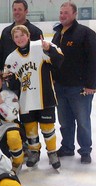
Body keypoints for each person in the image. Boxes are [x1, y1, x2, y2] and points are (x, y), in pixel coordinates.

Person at [4, 25, 64, 170]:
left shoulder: (40, 46)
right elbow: (11, 83)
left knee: (48, 128)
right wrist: (9, 79)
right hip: (25, 101)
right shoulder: (11, 58)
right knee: (30, 130)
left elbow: (60, 59)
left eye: (22, 35)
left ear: (28, 35)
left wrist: (49, 49)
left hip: (45, 97)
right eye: (16, 37)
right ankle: (34, 152)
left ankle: (52, 152)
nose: (19, 39)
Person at [52, 2, 96, 164]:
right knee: (64, 121)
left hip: (79, 88)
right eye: (61, 12)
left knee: (83, 121)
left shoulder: (85, 33)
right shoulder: (58, 33)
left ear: (75, 14)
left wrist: (91, 84)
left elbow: (93, 60)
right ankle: (67, 147)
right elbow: (55, 59)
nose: (62, 15)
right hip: (61, 87)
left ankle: (85, 150)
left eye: (66, 13)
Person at [0, 0, 43, 71]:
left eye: (20, 9)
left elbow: (41, 56)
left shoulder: (36, 32)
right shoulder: (6, 32)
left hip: (29, 74)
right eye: (14, 10)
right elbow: (0, 55)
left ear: (26, 11)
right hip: (9, 74)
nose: (16, 12)